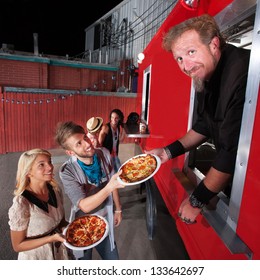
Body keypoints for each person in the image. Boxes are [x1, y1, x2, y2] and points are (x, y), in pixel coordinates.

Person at [145, 14, 250, 225]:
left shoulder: (241, 74)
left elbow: (232, 151)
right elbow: (204, 126)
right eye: (179, 59)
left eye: (191, 52)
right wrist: (166, 153)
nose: (186, 65)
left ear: (213, 45)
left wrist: (196, 201)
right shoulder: (204, 75)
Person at [54, 121, 124, 260]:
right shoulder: (67, 171)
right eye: (78, 143)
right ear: (70, 152)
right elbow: (84, 206)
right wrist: (110, 186)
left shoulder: (103, 153)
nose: (87, 143)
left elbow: (112, 180)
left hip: (105, 220)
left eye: (85, 137)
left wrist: (118, 209)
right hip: (83, 226)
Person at [8, 148, 71, 260]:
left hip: (60, 254)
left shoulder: (55, 190)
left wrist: (75, 227)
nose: (50, 167)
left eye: (49, 162)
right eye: (41, 165)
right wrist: (50, 239)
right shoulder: (22, 203)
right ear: (28, 172)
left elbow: (61, 223)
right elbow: (17, 246)